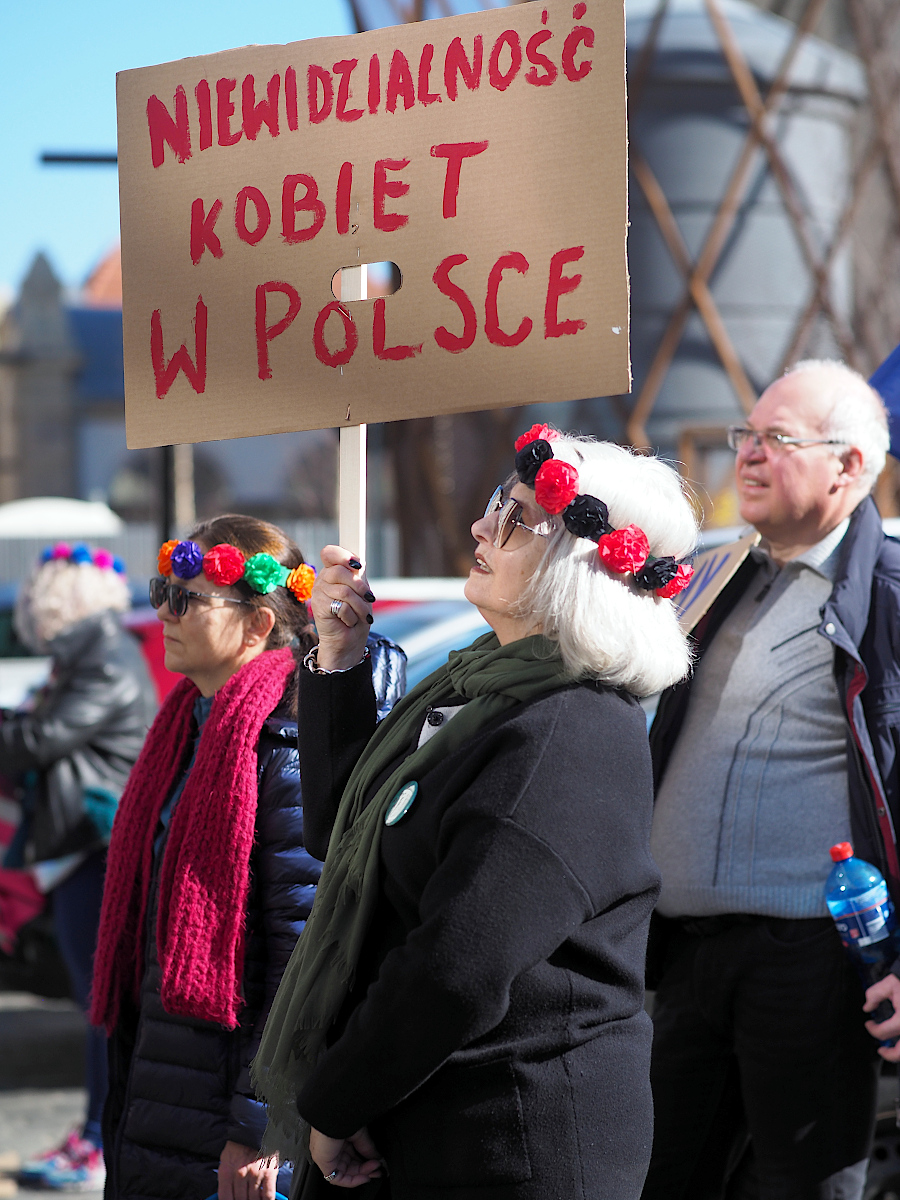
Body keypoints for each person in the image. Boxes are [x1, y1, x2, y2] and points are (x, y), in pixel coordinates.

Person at [252, 428, 698, 1199]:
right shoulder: (476, 687)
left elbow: (459, 964)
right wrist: (340, 655)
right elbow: (343, 830)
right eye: (498, 504)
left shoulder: (571, 729)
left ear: (580, 566)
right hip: (428, 1120)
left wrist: (337, 1100)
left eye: (518, 517)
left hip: (512, 1140)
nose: (482, 526)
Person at [88, 516, 405, 1200]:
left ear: (259, 625)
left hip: (226, 1126)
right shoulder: (185, 727)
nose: (164, 612)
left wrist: (263, 1125)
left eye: (186, 599)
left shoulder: (286, 746)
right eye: (162, 592)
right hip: (163, 1091)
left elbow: (304, 954)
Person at [643, 360, 900, 1200]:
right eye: (745, 435)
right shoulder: (719, 578)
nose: (748, 454)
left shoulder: (887, 594)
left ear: (848, 466)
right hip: (687, 955)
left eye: (777, 439)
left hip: (811, 965)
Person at [2, 543, 156, 1192]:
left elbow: (38, 740)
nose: (31, 607)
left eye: (39, 594)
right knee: (98, 1001)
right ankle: (96, 1135)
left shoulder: (102, 657)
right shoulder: (96, 653)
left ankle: (98, 1139)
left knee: (102, 1003)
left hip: (96, 848)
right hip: (88, 847)